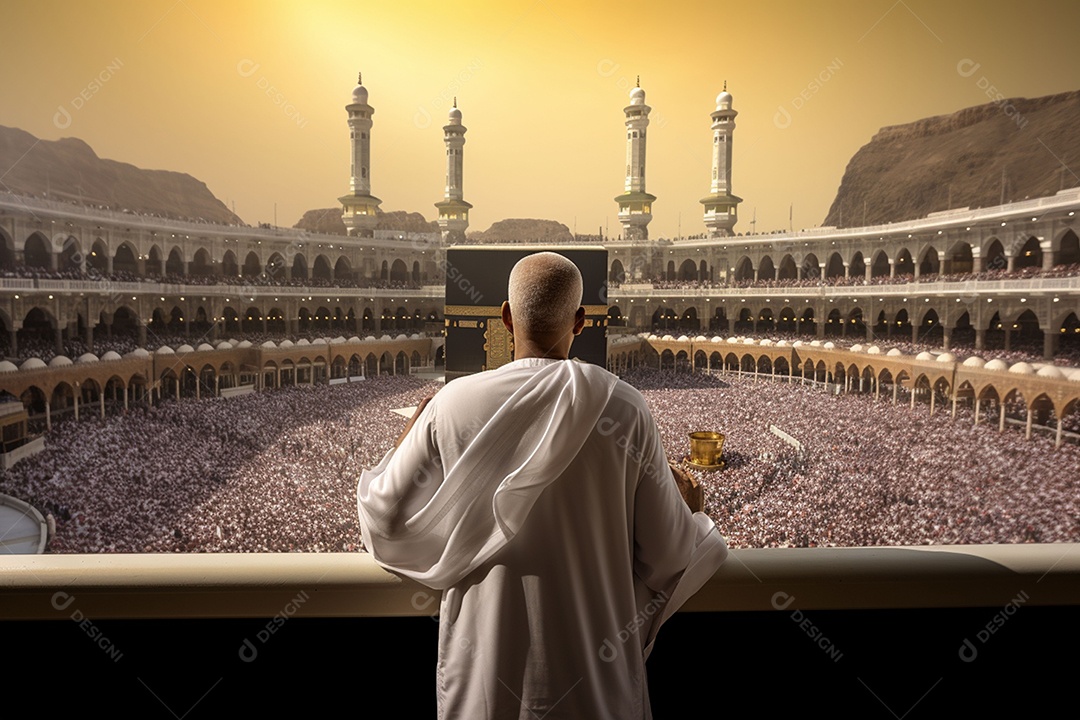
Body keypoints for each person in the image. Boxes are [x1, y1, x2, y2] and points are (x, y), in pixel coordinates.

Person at [357, 251, 728, 719]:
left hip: (485, 684)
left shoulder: (450, 405)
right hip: (595, 685)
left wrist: (406, 437)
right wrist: (688, 507)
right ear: (580, 321)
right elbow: (669, 557)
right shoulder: (624, 408)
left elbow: (385, 519)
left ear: (506, 319)